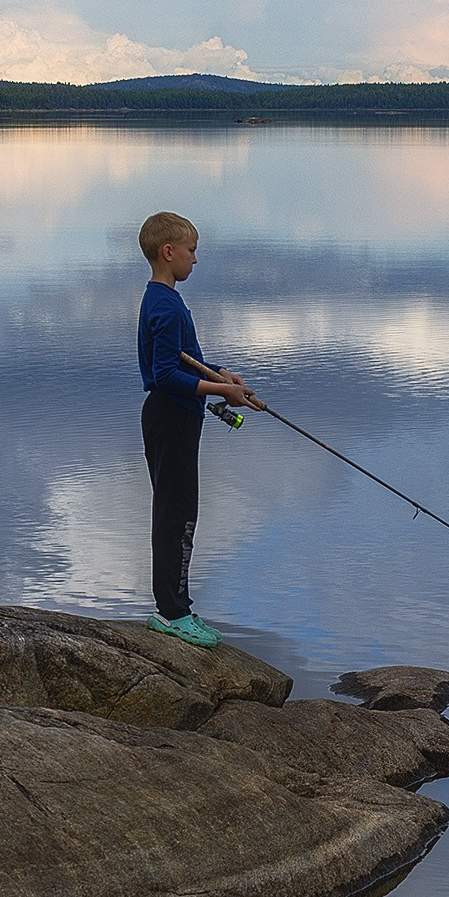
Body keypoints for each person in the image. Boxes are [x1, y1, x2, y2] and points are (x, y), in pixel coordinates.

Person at [136, 211, 264, 648]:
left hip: (175, 416)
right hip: (170, 417)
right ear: (168, 252)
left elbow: (183, 360)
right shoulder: (166, 306)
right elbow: (166, 375)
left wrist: (220, 373)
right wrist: (222, 392)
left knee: (180, 511)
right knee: (177, 514)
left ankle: (177, 606)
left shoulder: (162, 299)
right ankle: (172, 612)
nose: (196, 259)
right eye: (191, 251)